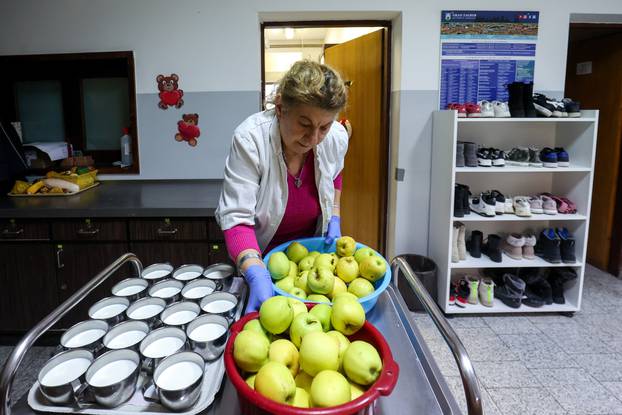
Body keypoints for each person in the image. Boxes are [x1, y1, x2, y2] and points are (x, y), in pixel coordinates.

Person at [215, 60, 349, 313]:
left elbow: (335, 173)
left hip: (309, 261)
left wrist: (335, 215)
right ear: (280, 108)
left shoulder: (336, 137)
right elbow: (236, 219)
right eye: (305, 124)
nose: (314, 138)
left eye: (324, 126)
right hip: (259, 255)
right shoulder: (250, 140)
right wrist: (255, 273)